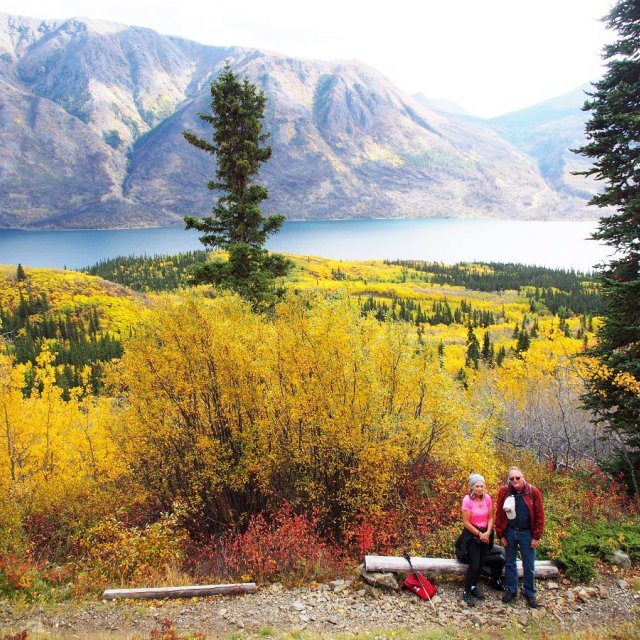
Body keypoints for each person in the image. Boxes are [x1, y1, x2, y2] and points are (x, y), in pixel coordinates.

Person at [495, 466, 545, 608]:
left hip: (527, 533)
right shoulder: (504, 492)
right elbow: (499, 513)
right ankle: (511, 590)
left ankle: (529, 592)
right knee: (510, 563)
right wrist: (501, 533)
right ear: (509, 480)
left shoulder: (533, 492)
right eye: (512, 478)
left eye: (517, 477)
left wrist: (536, 536)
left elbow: (540, 515)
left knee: (528, 565)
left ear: (523, 477)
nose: (515, 480)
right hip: (510, 532)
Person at [460, 473, 494, 607]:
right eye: (477, 486)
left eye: (482, 486)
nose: (480, 489)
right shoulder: (467, 500)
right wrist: (481, 534)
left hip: (486, 533)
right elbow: (466, 522)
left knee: (481, 564)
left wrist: (488, 533)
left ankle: (474, 586)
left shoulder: (487, 499)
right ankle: (466, 592)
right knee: (474, 565)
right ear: (472, 487)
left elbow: (491, 517)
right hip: (472, 536)